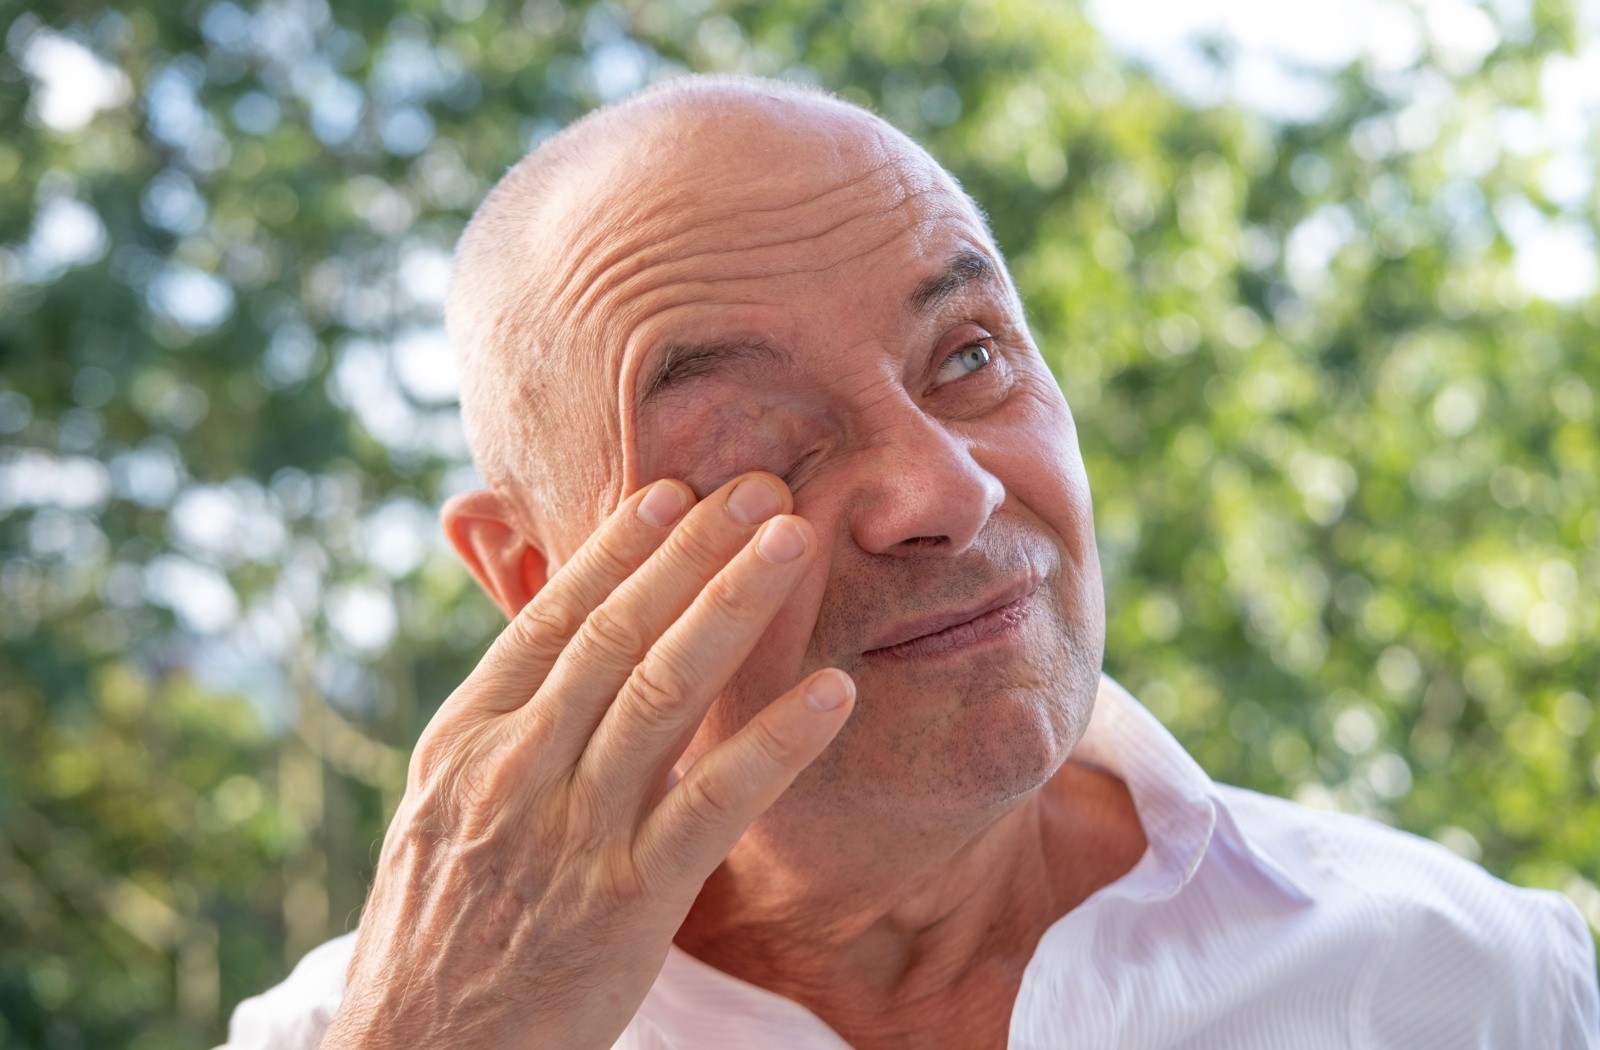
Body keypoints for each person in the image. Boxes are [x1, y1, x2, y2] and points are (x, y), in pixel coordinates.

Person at [219, 75, 1598, 1049]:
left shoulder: (1482, 982)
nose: (946, 486)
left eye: (971, 357)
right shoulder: (354, 1035)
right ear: (529, 574)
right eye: (757, 444)